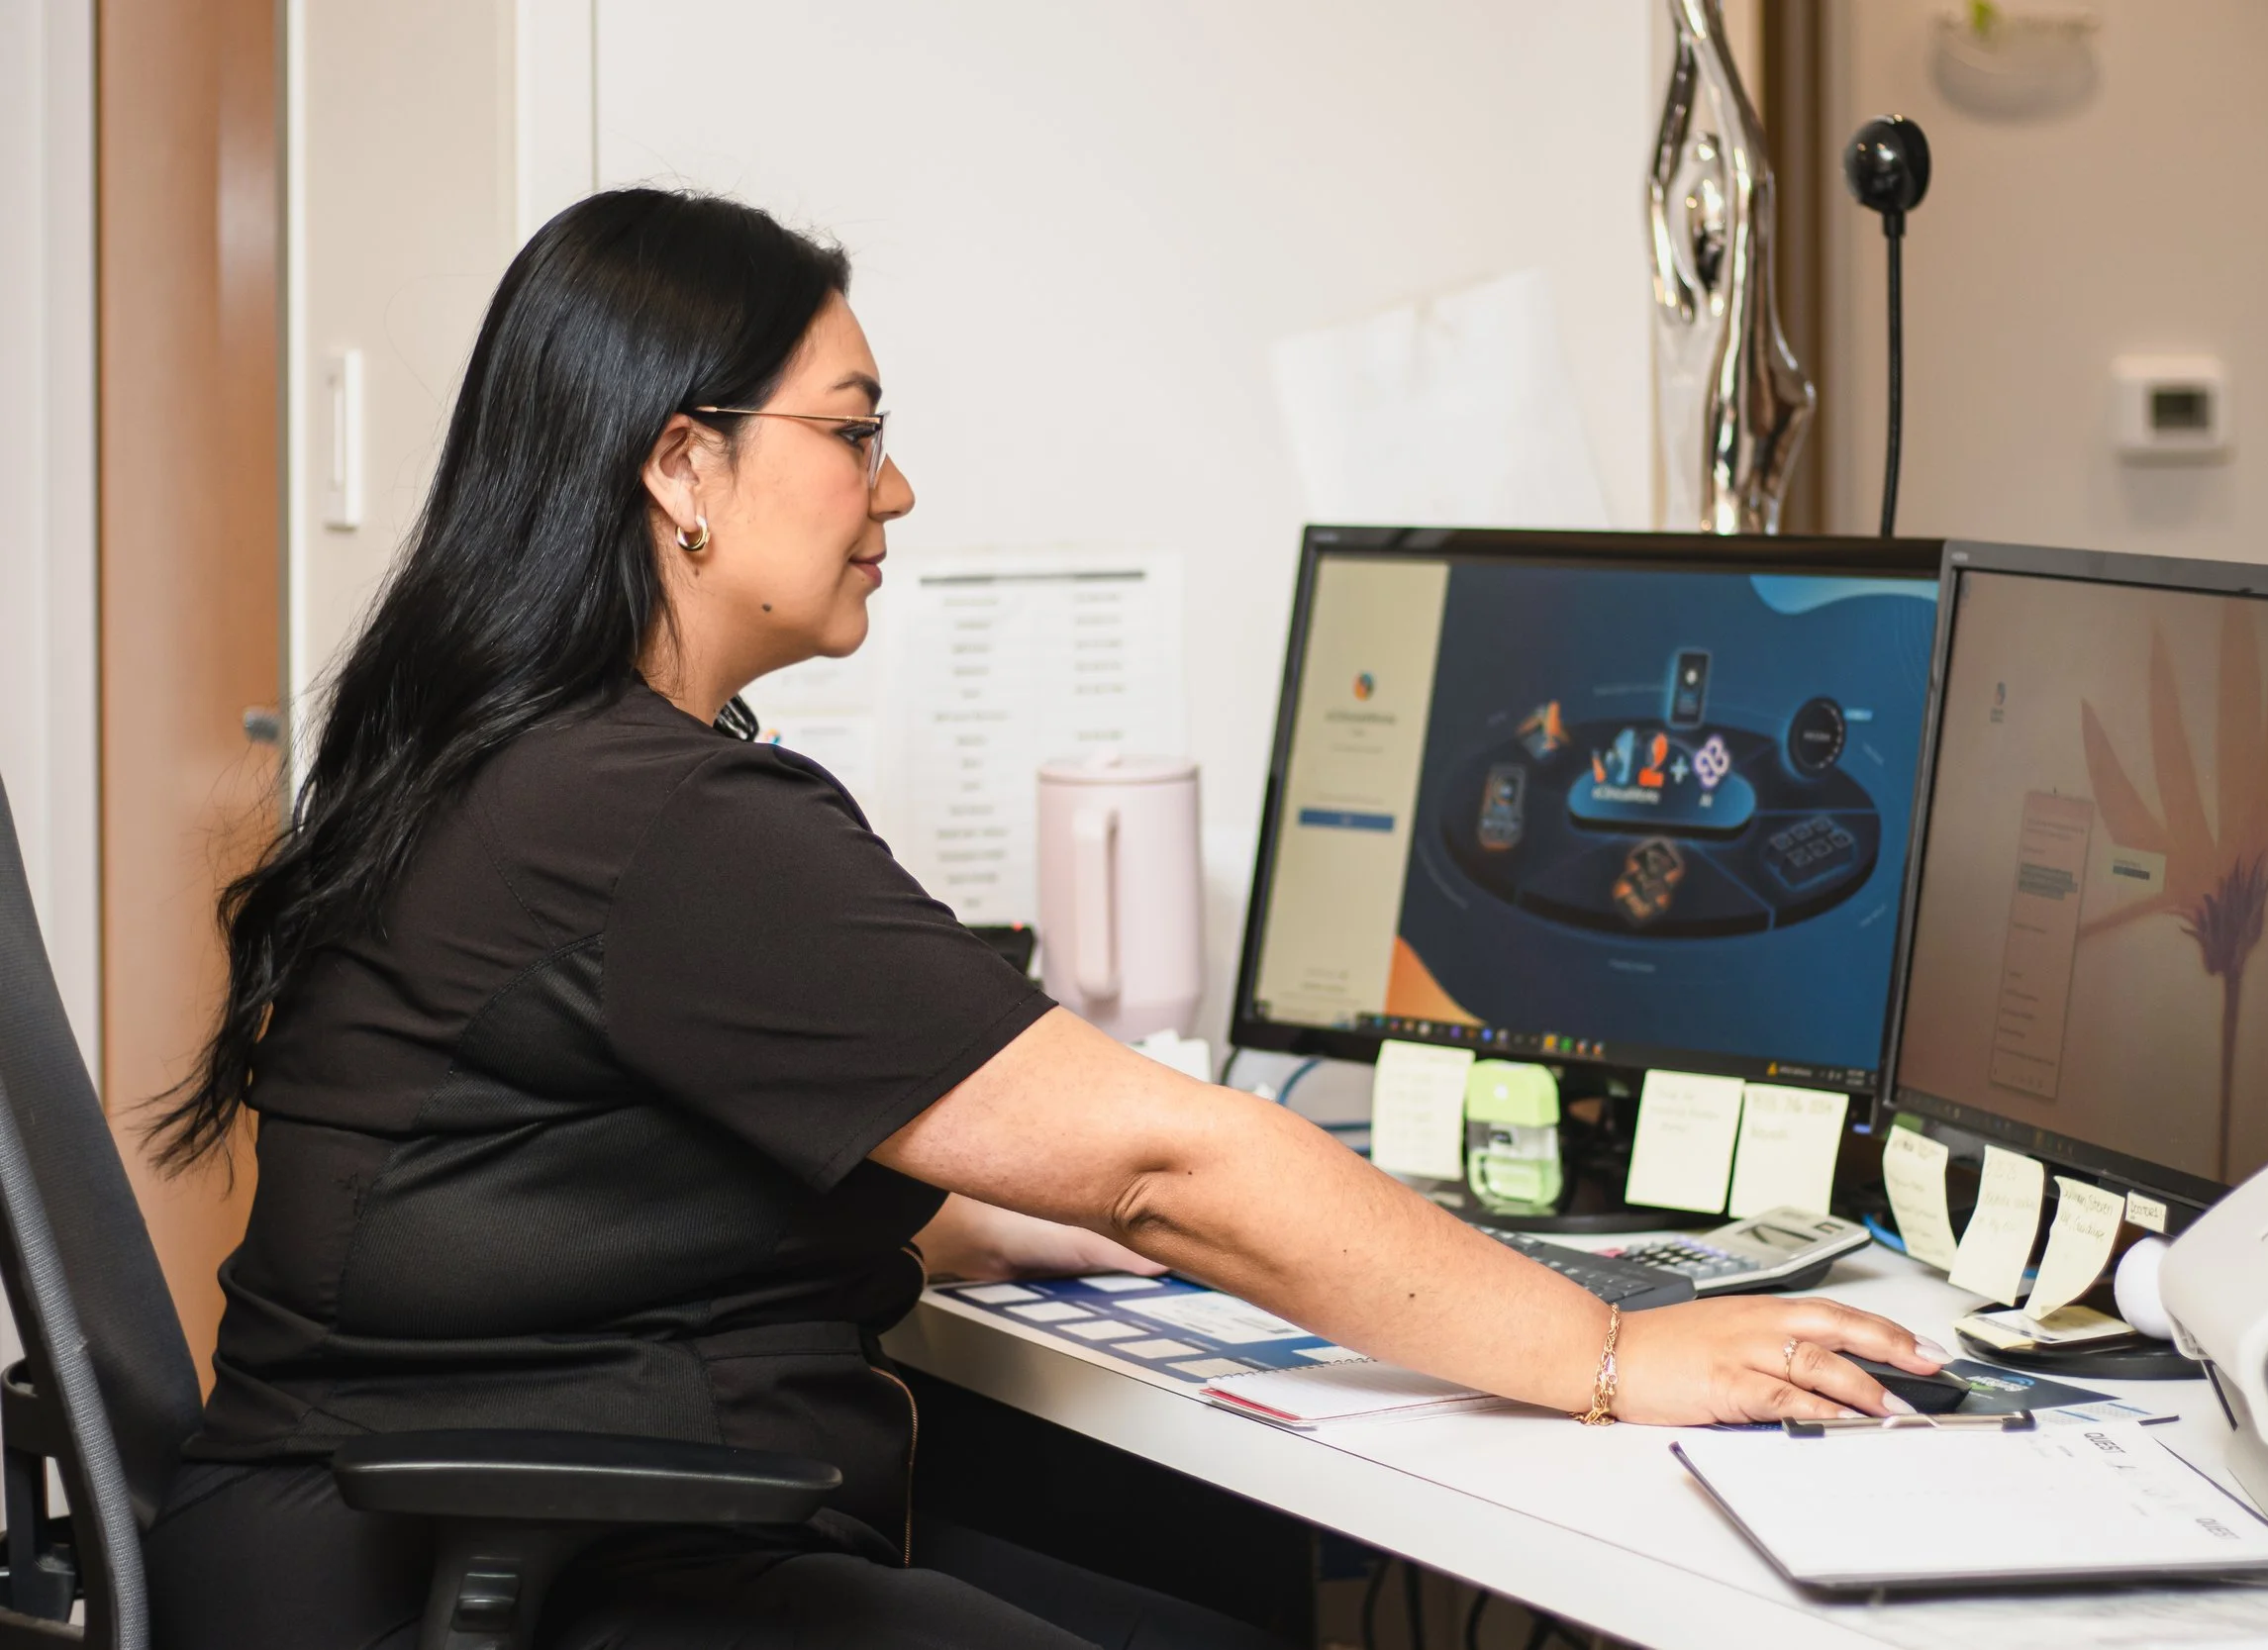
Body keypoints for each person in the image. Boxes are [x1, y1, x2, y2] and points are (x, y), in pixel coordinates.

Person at [141, 189, 1949, 1650]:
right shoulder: (656, 821)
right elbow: (1173, 1160)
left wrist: (1027, 1230)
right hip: (492, 1570)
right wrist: (1610, 1348)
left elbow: (583, 1200)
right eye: (853, 437)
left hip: (389, 1540)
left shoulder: (526, 760)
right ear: (683, 469)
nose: (896, 490)